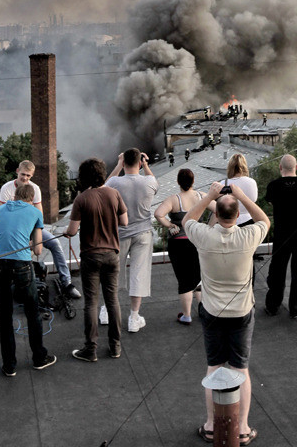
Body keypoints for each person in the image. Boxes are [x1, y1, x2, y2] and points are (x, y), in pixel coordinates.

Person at [183, 180, 270, 445]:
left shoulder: (204, 236)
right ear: (236, 216)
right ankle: (242, 428)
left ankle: (211, 425)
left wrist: (209, 194)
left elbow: (188, 218)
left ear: (217, 215)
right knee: (241, 369)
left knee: (214, 367)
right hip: (242, 311)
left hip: (211, 311)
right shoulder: (247, 236)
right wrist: (242, 196)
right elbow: (264, 219)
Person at [0, 181, 56, 376]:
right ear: (32, 199)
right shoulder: (36, 213)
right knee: (32, 312)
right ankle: (39, 358)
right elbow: (37, 250)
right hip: (21, 265)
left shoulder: (1, 210)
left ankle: (9, 365)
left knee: (4, 316)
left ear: (15, 196)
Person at [65, 158, 128, 361]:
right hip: (112, 255)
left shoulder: (82, 199)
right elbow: (124, 222)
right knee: (112, 301)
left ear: (84, 177)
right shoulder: (114, 193)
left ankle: (90, 349)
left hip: (91, 256)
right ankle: (115, 347)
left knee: (91, 303)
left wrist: (67, 231)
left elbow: (73, 231)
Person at [0, 160, 80, 300]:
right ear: (17, 171)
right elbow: (3, 216)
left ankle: (67, 283)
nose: (25, 178)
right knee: (0, 250)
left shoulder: (35, 189)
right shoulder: (6, 188)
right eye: (23, 174)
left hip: (30, 229)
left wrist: (34, 238)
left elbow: (38, 216)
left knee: (55, 245)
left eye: (28, 176)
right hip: (13, 231)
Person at [105, 149, 158, 332]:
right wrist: (146, 166)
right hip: (143, 233)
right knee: (139, 273)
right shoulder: (149, 181)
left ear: (124, 162)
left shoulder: (115, 182)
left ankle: (106, 310)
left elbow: (104, 188)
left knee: (113, 273)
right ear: (140, 163)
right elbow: (154, 182)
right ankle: (134, 318)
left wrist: (118, 164)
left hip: (119, 234)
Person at [264, 155, 297, 318]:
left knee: (278, 270)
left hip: (281, 234)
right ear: (296, 166)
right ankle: (296, 308)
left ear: (280, 167)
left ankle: (272, 306)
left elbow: (271, 202)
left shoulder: (273, 186)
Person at [154, 168, 205, 324]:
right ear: (193, 181)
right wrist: (207, 226)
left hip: (178, 243)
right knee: (198, 277)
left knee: (184, 279)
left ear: (178, 182)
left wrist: (170, 225)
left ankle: (186, 315)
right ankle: (203, 310)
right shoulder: (201, 197)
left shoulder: (174, 199)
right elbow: (219, 210)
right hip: (197, 241)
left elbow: (158, 214)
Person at [221, 154, 258, 226]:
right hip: (249, 219)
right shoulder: (252, 182)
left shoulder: (223, 183)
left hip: (230, 221)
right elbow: (254, 200)